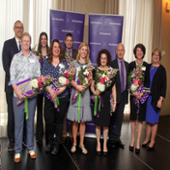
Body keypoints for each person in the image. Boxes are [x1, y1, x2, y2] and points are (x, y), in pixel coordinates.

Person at [9, 32, 40, 163]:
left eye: (28, 41)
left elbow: (38, 76)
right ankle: (17, 150)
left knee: (29, 123)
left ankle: (31, 148)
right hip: (18, 96)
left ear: (30, 42)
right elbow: (12, 77)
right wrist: (19, 92)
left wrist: (33, 91)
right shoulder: (16, 58)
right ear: (21, 42)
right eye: (24, 41)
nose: (26, 43)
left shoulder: (35, 58)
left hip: (32, 96)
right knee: (19, 123)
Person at [2, 20, 27, 151]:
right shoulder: (7, 44)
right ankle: (12, 140)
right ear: (13, 29)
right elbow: (6, 66)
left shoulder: (26, 45)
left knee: (22, 113)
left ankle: (22, 139)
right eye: (17, 27)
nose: (19, 29)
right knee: (12, 114)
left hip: (24, 88)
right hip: (11, 87)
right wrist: (16, 82)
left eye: (21, 27)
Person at [42, 39, 69, 155]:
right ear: (51, 49)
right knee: (48, 121)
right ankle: (49, 143)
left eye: (58, 47)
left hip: (62, 97)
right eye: (54, 47)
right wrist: (51, 91)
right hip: (49, 97)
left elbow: (67, 79)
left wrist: (58, 91)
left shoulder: (65, 63)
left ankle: (57, 144)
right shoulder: (46, 62)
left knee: (58, 121)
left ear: (60, 49)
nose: (56, 49)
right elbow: (43, 78)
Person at [67, 42, 92, 154]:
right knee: (75, 121)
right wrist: (77, 86)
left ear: (87, 52)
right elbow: (70, 79)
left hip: (85, 95)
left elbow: (90, 80)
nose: (84, 52)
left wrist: (84, 86)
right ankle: (74, 143)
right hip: (75, 94)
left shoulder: (89, 65)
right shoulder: (73, 64)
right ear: (79, 50)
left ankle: (82, 144)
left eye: (86, 50)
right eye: (82, 49)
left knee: (83, 121)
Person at [91, 49, 117, 156]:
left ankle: (105, 144)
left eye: (105, 58)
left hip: (107, 101)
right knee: (98, 124)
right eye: (101, 58)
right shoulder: (96, 70)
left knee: (106, 125)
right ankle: (98, 143)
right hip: (98, 101)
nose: (103, 60)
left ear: (108, 59)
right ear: (99, 59)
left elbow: (114, 89)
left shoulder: (111, 72)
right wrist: (94, 92)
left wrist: (114, 102)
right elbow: (92, 85)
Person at [142, 48, 167, 150]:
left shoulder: (162, 70)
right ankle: (147, 139)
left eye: (158, 55)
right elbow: (145, 82)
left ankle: (153, 141)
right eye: (154, 55)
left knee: (154, 121)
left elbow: (164, 86)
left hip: (156, 99)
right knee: (148, 121)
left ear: (160, 58)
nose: (156, 57)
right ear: (152, 56)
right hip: (147, 98)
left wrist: (161, 99)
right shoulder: (148, 67)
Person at [129, 44, 149, 154]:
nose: (139, 52)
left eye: (141, 50)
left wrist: (142, 93)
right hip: (133, 96)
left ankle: (137, 142)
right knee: (133, 118)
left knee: (140, 119)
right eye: (137, 50)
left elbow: (147, 82)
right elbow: (128, 81)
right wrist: (134, 92)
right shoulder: (131, 65)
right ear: (135, 52)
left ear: (143, 52)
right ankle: (132, 140)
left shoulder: (147, 65)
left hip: (142, 97)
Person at [109, 43, 129, 149]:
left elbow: (129, 81)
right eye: (119, 50)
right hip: (114, 97)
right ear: (116, 52)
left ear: (124, 51)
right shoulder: (112, 64)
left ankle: (117, 138)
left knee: (120, 118)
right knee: (112, 118)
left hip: (123, 95)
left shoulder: (127, 65)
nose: (120, 52)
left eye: (122, 50)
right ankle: (111, 138)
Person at [62, 33, 78, 143]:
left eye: (71, 40)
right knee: (63, 111)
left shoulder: (77, 53)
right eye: (67, 40)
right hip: (63, 84)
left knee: (72, 110)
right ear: (64, 41)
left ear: (72, 42)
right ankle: (63, 133)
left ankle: (72, 134)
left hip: (74, 85)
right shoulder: (60, 52)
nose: (69, 42)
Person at [36, 32, 49, 145]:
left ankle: (49, 136)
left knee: (48, 111)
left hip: (49, 86)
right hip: (40, 87)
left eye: (45, 39)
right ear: (40, 40)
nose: (43, 41)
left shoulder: (50, 52)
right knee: (39, 110)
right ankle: (39, 136)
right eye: (42, 39)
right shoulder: (36, 53)